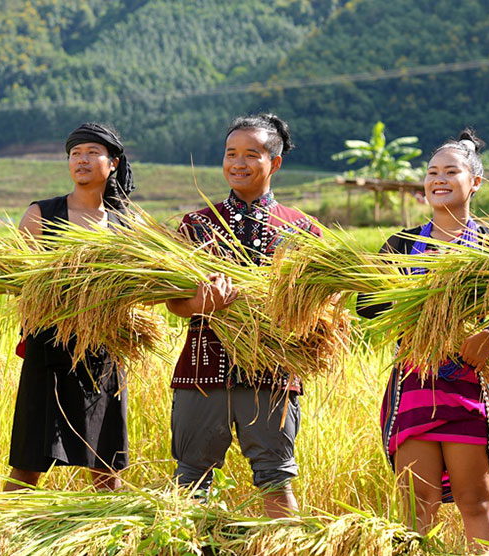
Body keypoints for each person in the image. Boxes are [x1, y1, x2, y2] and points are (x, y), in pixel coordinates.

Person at [357, 130, 489, 550]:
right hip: (415, 383)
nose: (439, 179)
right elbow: (366, 303)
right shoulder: (403, 244)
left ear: (475, 182)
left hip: (470, 382)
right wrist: (410, 308)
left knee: (475, 499)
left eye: (451, 171)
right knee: (417, 503)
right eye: (432, 172)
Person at [165, 113, 320, 518]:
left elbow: (319, 311)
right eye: (230, 153)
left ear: (275, 162)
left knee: (275, 478)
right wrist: (204, 305)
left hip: (272, 373)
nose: (238, 162)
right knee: (191, 481)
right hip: (202, 371)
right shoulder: (197, 224)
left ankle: (283, 546)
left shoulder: (304, 231)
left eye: (251, 154)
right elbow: (173, 302)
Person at [5, 123, 135, 491]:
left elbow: (135, 291)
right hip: (48, 351)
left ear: (112, 163)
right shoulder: (40, 215)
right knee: (28, 464)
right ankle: (2, 538)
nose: (82, 159)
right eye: (75, 153)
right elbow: (21, 284)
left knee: (106, 468)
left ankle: (108, 542)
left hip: (105, 355)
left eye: (92, 152)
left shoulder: (127, 225)